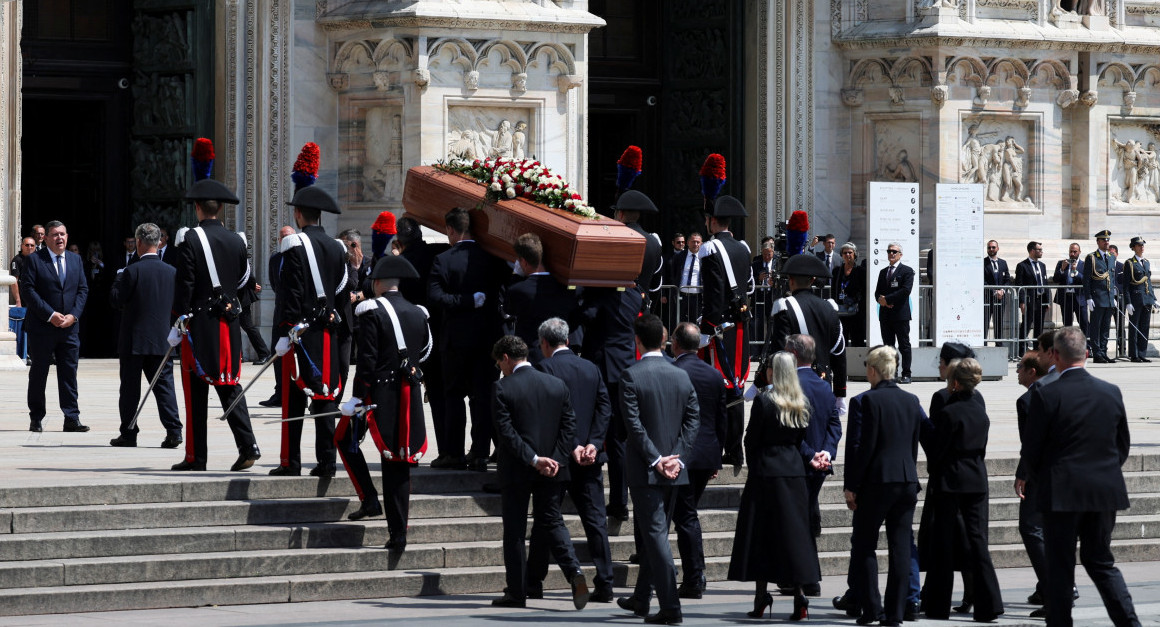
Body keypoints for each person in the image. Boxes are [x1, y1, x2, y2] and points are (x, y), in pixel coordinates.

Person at [1021, 326, 1139, 626]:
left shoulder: (1046, 395)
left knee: (1060, 568)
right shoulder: (1111, 391)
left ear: (1055, 355)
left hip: (1061, 493)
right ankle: (1129, 622)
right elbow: (1121, 445)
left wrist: (1044, 478)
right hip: (1104, 491)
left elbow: (1032, 451)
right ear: (1087, 353)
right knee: (1101, 561)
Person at [578, 189, 663, 523]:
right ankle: (619, 497)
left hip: (604, 367)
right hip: (627, 361)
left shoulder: (607, 293)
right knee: (621, 435)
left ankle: (612, 500)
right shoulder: (635, 296)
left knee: (607, 435)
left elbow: (587, 314)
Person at [489, 335, 591, 611]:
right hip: (553, 470)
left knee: (515, 531)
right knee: (553, 522)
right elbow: (570, 428)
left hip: (518, 470)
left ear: (507, 358)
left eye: (500, 362)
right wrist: (555, 460)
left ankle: (517, 591)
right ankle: (574, 572)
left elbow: (506, 435)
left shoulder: (502, 388)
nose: (501, 367)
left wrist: (534, 460)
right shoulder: (556, 385)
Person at [338, 255, 431, 551]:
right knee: (395, 461)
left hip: (377, 395)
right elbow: (425, 353)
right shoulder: (418, 313)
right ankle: (372, 502)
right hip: (408, 394)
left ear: (377, 284)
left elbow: (366, 361)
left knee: (391, 460)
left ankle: (396, 532)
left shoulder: (371, 310)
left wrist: (356, 397)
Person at [168, 177, 261, 471]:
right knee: (229, 384)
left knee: (196, 390)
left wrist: (178, 320)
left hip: (199, 324)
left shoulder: (189, 239)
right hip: (229, 323)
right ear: (220, 209)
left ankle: (197, 456)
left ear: (197, 208)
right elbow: (246, 280)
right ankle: (248, 445)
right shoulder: (236, 240)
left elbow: (185, 284)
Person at [616, 314, 699, 625]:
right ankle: (641, 597)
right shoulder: (680, 374)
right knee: (657, 535)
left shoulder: (631, 374)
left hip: (648, 469)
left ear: (637, 341)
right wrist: (676, 457)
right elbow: (693, 419)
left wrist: (656, 459)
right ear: (664, 340)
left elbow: (633, 426)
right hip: (674, 469)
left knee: (656, 538)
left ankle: (670, 607)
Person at [525, 317, 615, 603]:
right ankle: (605, 581)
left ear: (544, 343)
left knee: (546, 518)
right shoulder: (590, 367)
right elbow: (604, 407)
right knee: (595, 521)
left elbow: (549, 414)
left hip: (559, 457)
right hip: (590, 456)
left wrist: (574, 444)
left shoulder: (544, 368)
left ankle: (534, 582)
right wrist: (593, 443)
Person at [728, 350, 821, 620]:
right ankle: (799, 595)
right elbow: (800, 439)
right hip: (794, 473)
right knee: (795, 536)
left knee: (761, 535)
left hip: (766, 473)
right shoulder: (801, 401)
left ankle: (761, 595)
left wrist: (756, 462)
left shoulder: (765, 401)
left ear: (773, 372)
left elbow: (751, 439)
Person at [271, 186, 350, 478]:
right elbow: (342, 290)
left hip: (299, 335)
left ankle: (291, 462)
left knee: (294, 397)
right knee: (325, 396)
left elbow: (288, 294)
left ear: (298, 214)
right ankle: (327, 461)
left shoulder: (292, 245)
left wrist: (283, 331)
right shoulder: (337, 247)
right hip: (327, 333)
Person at [844, 345, 923, 626]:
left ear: (873, 370)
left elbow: (858, 448)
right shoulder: (912, 401)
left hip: (875, 482)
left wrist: (851, 485)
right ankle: (895, 613)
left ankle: (871, 608)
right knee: (900, 547)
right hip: (905, 480)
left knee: (865, 544)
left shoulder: (864, 401)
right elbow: (920, 440)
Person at [920, 358, 1004, 621]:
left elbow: (937, 452)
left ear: (955, 383)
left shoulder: (948, 413)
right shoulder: (981, 411)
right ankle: (989, 604)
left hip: (950, 480)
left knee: (943, 544)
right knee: (978, 542)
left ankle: (937, 604)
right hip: (976, 479)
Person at [428, 207, 511, 471]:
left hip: (456, 340)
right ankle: (480, 453)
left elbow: (435, 297)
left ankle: (453, 452)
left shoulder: (443, 260)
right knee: (482, 396)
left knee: (454, 395)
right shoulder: (493, 258)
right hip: (488, 340)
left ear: (451, 230)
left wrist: (463, 301)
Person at [108, 222, 183, 448]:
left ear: (139, 242)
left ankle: (129, 433)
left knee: (130, 389)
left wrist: (118, 279)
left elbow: (116, 299)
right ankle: (174, 431)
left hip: (134, 341)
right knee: (164, 388)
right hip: (162, 340)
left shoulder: (131, 271)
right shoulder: (172, 272)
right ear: (159, 242)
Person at [669, 322, 726, 600]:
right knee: (685, 514)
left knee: (685, 516)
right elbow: (721, 420)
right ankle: (693, 574)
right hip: (706, 454)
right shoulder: (713, 375)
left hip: (682, 455)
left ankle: (694, 576)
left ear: (675, 344)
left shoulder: (673, 372)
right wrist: (718, 456)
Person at [699, 195, 755, 468]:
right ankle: (735, 449)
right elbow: (751, 287)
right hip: (741, 329)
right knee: (736, 388)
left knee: (718, 389)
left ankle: (719, 446)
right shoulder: (743, 248)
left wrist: (704, 330)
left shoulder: (709, 249)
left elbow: (713, 296)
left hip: (719, 329)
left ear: (711, 221)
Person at [19, 220, 89, 433]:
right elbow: (29, 291)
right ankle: (36, 417)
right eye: (55, 235)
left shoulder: (76, 260)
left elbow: (82, 290)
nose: (60, 238)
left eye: (63, 234)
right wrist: (50, 315)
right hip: (42, 328)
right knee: (39, 373)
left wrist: (73, 316)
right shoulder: (34, 261)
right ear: (46, 238)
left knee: (69, 373)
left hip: (69, 328)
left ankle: (71, 418)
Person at [393, 217, 452, 468]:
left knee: (432, 394)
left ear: (399, 241)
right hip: (446, 330)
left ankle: (442, 450)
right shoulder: (439, 252)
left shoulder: (400, 265)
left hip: (418, 337)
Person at [786, 334, 840, 597]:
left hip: (798, 464)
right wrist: (826, 454)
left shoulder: (789, 385)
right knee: (806, 516)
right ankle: (804, 577)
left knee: (798, 522)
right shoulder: (824, 386)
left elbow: (790, 430)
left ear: (793, 355)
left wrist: (810, 455)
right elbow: (834, 425)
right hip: (818, 464)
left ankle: (805, 578)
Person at [764, 254, 848, 402]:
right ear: (813, 280)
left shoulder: (784, 307)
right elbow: (839, 353)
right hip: (823, 385)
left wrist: (760, 383)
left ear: (790, 281)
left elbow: (779, 352)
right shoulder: (829, 307)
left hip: (794, 387)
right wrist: (840, 392)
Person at [502, 233, 578, 365]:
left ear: (524, 262)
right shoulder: (564, 288)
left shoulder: (520, 289)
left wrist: (516, 275)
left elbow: (509, 307)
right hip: (559, 355)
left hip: (531, 356)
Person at [258, 225, 297, 408]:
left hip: (298, 316)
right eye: (282, 237)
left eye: (289, 236)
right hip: (280, 312)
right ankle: (280, 392)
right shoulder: (275, 258)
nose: (285, 240)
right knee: (277, 353)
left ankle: (298, 393)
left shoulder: (301, 257)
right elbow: (275, 285)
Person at [874, 242, 915, 382]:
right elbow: (877, 292)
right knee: (888, 346)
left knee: (904, 345)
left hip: (900, 314)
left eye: (894, 251)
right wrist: (881, 301)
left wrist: (889, 300)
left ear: (900, 255)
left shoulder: (907, 271)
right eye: (889, 251)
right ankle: (892, 373)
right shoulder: (883, 272)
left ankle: (906, 373)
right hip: (885, 314)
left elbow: (905, 290)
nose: (891, 253)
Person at [1084, 230, 1118, 363]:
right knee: (1096, 328)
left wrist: (1113, 297)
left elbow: (1111, 278)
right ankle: (1097, 353)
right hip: (1097, 298)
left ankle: (1103, 352)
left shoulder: (1111, 257)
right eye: (1103, 240)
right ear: (1098, 242)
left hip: (1108, 299)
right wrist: (1088, 298)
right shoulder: (1092, 257)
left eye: (1107, 240)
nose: (1106, 242)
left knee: (1105, 328)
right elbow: (1087, 280)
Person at [1123, 236, 1154, 363]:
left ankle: (1142, 353)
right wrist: (1128, 302)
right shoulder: (1129, 263)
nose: (1142, 247)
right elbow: (1126, 286)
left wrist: (1154, 299)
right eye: (1139, 245)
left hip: (1147, 299)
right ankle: (1134, 354)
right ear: (1133, 248)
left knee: (1144, 327)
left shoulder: (1146, 262)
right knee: (1134, 328)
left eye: (1142, 245)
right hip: (1135, 300)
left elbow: (1149, 283)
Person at [832, 242, 866, 347]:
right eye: (845, 253)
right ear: (841, 255)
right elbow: (834, 290)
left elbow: (864, 291)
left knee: (857, 339)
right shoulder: (837, 271)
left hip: (856, 311)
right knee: (841, 339)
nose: (847, 255)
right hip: (841, 311)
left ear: (855, 254)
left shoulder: (861, 271)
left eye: (850, 252)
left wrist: (855, 300)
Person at [1016, 241, 1049, 351]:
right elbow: (1019, 285)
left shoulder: (1042, 265)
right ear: (1032, 251)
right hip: (1029, 300)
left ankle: (1037, 349)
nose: (1041, 252)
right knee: (1026, 325)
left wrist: (1047, 300)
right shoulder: (1022, 266)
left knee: (1039, 327)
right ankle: (1021, 349)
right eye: (1039, 250)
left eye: (1041, 250)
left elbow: (1045, 284)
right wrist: (1022, 301)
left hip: (1041, 300)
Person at [667, 232, 703, 324]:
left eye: (698, 242)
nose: (695, 244)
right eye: (693, 241)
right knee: (679, 321)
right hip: (682, 295)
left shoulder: (704, 258)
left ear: (701, 243)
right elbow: (674, 274)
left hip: (697, 297)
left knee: (695, 322)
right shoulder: (679, 256)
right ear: (688, 243)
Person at [1053, 242, 1087, 332]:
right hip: (1066, 298)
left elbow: (1085, 280)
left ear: (1079, 252)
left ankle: (1088, 344)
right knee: (1067, 324)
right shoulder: (1062, 263)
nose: (1072, 254)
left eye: (1075, 251)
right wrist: (1062, 269)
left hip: (1080, 298)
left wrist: (1076, 271)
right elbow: (1055, 279)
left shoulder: (1084, 265)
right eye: (1070, 251)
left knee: (1084, 322)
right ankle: (1068, 345)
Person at [983, 240, 1011, 346]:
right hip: (987, 299)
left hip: (1000, 299)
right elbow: (983, 281)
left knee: (999, 323)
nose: (991, 249)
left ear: (997, 248)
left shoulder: (1003, 263)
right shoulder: (983, 263)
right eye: (989, 247)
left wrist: (1002, 291)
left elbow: (1007, 280)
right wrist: (995, 292)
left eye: (993, 247)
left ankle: (999, 346)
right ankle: (983, 345)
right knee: (985, 323)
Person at [9, 236, 36, 306]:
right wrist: (18, 300)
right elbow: (14, 281)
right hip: (24, 299)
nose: (29, 247)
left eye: (32, 245)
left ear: (35, 247)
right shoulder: (17, 260)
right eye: (27, 245)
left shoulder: (38, 259)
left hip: (37, 297)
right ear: (22, 246)